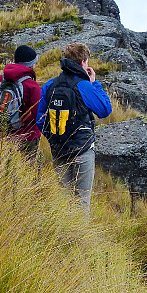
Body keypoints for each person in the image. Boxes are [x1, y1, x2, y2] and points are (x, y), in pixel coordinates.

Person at [37, 42, 112, 212]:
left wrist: (53, 139)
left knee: (64, 201)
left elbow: (40, 119)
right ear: (83, 62)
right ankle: (78, 238)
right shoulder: (84, 86)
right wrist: (94, 83)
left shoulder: (50, 85)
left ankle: (63, 235)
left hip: (58, 150)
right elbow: (105, 110)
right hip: (83, 150)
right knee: (81, 202)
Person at [0, 45, 42, 160]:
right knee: (27, 173)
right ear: (31, 64)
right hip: (28, 138)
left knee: (5, 172)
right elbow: (38, 116)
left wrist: (4, 122)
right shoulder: (32, 86)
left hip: (3, 136)